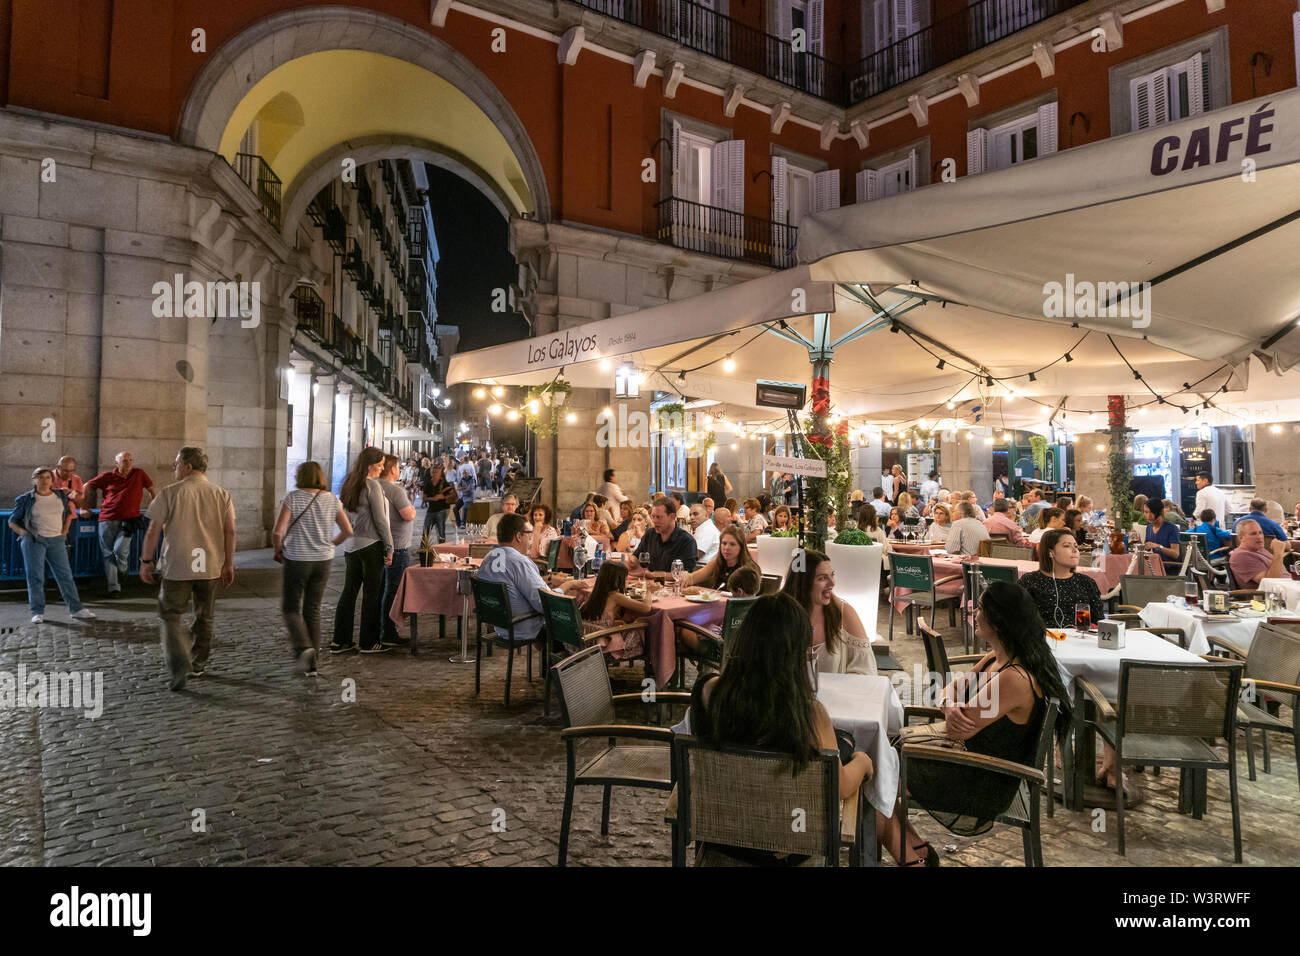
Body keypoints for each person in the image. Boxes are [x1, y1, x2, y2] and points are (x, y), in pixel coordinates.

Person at [675, 593, 876, 865]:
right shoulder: (808, 713)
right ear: (796, 652)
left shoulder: (708, 691)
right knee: (850, 752)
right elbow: (838, 787)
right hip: (789, 852)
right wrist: (863, 762)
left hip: (723, 847)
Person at [880, 581, 1068, 864]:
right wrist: (950, 704)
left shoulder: (1014, 677)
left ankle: (913, 858)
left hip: (981, 780)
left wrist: (950, 706)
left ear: (998, 621)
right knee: (877, 772)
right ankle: (915, 852)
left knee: (875, 778)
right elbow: (952, 687)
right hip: (970, 762)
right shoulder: (999, 658)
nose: (972, 612)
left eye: (979, 608)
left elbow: (957, 728)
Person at [139, 447, 235, 691]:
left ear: (188, 466)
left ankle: (180, 663)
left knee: (170, 615)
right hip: (209, 565)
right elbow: (230, 532)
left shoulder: (170, 493)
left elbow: (152, 530)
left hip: (178, 565)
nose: (175, 468)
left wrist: (146, 561)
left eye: (177, 464)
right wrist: (228, 563)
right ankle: (198, 662)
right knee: (205, 616)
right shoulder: (221, 494)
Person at [272, 461, 352, 676]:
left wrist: (278, 549)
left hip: (297, 559)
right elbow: (347, 530)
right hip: (323, 560)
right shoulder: (332, 499)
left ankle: (303, 647)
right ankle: (313, 664)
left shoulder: (293, 498)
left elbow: (278, 532)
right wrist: (331, 545)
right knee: (313, 609)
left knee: (290, 608)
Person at [8, 467, 95, 624]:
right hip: (34, 540)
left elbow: (68, 514)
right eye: (40, 477)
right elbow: (12, 521)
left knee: (65, 576)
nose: (44, 480)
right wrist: (24, 533)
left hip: (56, 540)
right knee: (36, 577)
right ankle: (37, 611)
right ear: (34, 480)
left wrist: (64, 532)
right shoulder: (26, 499)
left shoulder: (60, 496)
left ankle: (76, 609)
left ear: (52, 480)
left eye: (48, 477)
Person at [331, 447, 393, 655]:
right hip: (370, 544)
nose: (382, 468)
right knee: (371, 595)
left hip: (351, 546)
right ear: (370, 466)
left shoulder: (349, 483)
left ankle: (340, 640)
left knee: (349, 592)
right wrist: (389, 546)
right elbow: (381, 520)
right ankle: (369, 641)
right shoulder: (371, 486)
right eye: (380, 464)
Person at [781, 549, 877, 675]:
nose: (832, 583)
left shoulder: (843, 613)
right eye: (822, 578)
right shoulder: (779, 614)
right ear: (803, 583)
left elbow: (866, 670)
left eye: (832, 575)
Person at [475, 512, 551, 648]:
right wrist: (566, 587)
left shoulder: (489, 557)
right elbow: (543, 602)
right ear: (518, 536)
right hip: (520, 627)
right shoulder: (519, 561)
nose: (530, 540)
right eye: (529, 534)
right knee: (565, 625)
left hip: (500, 625)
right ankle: (567, 661)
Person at [85, 451, 156, 596]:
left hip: (129, 520)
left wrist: (155, 507)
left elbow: (151, 491)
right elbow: (87, 485)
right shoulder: (107, 476)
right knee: (108, 554)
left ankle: (123, 570)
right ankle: (114, 588)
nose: (128, 463)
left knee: (120, 550)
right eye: (124, 461)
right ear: (117, 463)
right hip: (107, 519)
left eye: (130, 460)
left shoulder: (139, 474)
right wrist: (83, 506)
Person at [1018, 528, 1103, 629]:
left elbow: (1099, 622)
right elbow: (1018, 620)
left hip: (1080, 637)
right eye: (1067, 546)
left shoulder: (1086, 583)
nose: (1075, 550)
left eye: (1076, 546)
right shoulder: (1030, 581)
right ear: (1051, 552)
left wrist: (1088, 628)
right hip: (1043, 636)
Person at [575, 561, 657, 659]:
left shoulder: (596, 593)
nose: (626, 581)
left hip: (587, 640)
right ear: (617, 580)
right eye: (625, 579)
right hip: (603, 643)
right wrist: (649, 590)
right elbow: (646, 608)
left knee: (625, 623)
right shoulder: (615, 596)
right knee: (643, 628)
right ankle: (653, 660)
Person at [378, 454, 418, 650]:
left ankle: (381, 629)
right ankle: (388, 632)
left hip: (381, 543)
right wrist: (413, 509)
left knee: (381, 589)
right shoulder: (395, 490)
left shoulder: (374, 487)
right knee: (393, 589)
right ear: (393, 469)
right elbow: (407, 514)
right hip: (398, 546)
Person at [628, 500, 699, 573]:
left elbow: (686, 574)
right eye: (653, 517)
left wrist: (653, 575)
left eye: (658, 517)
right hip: (648, 579)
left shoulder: (687, 541)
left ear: (672, 516)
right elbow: (636, 556)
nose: (654, 521)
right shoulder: (650, 534)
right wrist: (632, 561)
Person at [689, 524, 759, 590]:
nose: (727, 548)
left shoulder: (748, 570)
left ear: (741, 547)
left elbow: (748, 596)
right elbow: (692, 578)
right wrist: (685, 577)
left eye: (732, 544)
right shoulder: (716, 563)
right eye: (724, 543)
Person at [1228, 520, 1288, 591]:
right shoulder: (1241, 556)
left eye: (1260, 533)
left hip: (1289, 586)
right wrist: (1278, 554)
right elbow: (1272, 583)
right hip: (1279, 594)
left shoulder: (1258, 549)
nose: (1259, 537)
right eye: (1253, 534)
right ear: (1241, 538)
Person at [1139, 499, 1181, 574]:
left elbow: (1175, 554)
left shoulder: (1171, 528)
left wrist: (1158, 546)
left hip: (1169, 568)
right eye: (1146, 512)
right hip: (1154, 567)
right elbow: (1148, 548)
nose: (1148, 516)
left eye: (1151, 512)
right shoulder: (1149, 527)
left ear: (1160, 512)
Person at [420, 461, 456, 543]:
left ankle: (441, 548)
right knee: (426, 531)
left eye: (436, 472)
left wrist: (443, 497)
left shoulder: (445, 484)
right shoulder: (429, 484)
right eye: (433, 472)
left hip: (442, 510)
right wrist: (433, 498)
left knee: (441, 533)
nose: (434, 474)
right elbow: (424, 498)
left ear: (440, 473)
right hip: (431, 510)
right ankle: (423, 548)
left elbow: (453, 497)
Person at [453, 457, 477, 528]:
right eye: (463, 474)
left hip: (469, 497)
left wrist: (462, 488)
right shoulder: (462, 478)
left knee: (464, 508)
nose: (463, 475)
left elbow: (469, 489)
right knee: (455, 508)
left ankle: (463, 524)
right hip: (463, 497)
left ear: (468, 473)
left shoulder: (471, 479)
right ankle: (458, 523)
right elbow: (458, 488)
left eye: (465, 473)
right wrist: (463, 488)